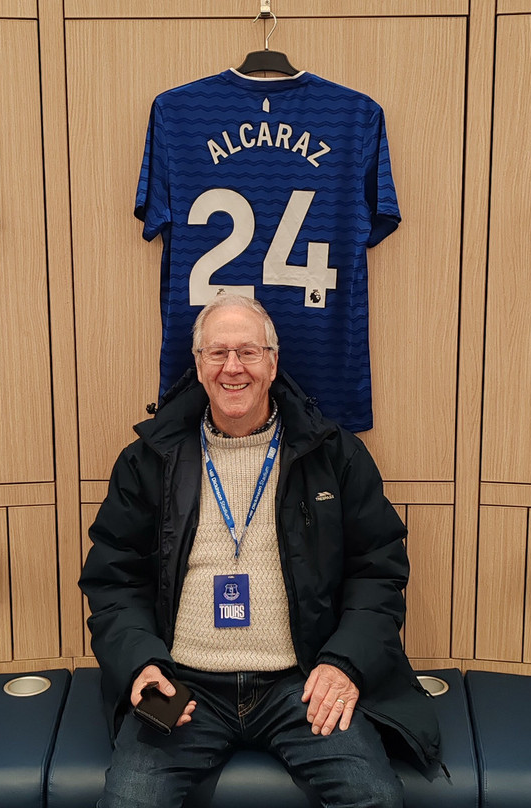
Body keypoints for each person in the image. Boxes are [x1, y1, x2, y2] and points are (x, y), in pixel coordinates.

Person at [80, 294, 440, 807]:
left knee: (376, 800)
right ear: (198, 365)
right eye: (217, 352)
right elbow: (114, 580)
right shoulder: (148, 461)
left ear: (272, 363)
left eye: (248, 352)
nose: (233, 367)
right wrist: (141, 664)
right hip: (183, 686)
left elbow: (378, 571)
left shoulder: (333, 455)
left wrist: (344, 663)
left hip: (302, 682)